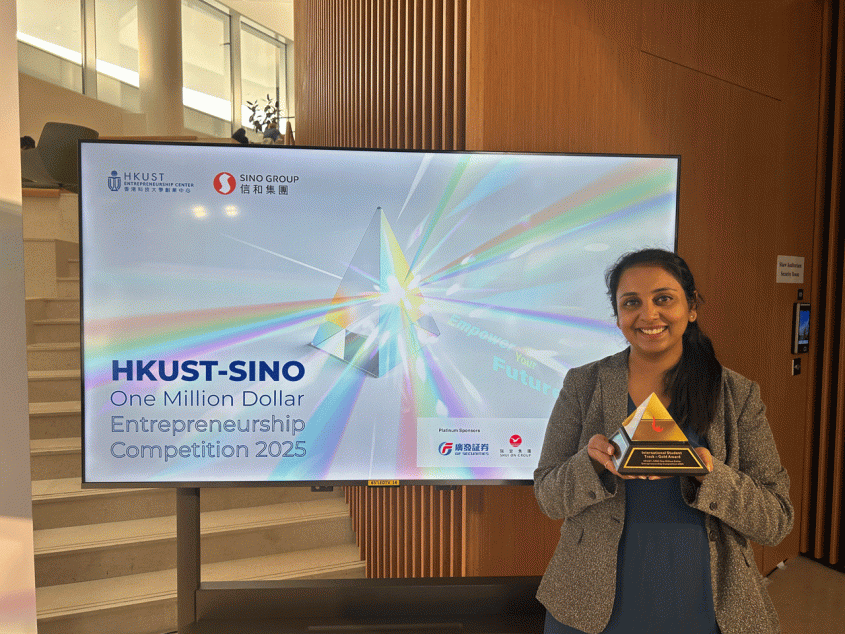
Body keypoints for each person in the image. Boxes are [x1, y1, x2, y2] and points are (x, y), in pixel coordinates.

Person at [534, 248, 793, 634]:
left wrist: (711, 473)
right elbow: (548, 496)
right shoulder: (583, 385)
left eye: (663, 299)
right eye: (631, 302)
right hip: (591, 604)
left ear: (691, 308)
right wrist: (588, 465)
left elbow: (776, 520)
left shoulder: (737, 395)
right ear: (618, 316)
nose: (648, 314)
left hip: (702, 602)